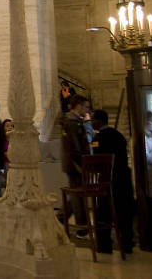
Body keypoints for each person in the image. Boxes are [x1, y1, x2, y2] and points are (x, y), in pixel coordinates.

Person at [91, 109, 135, 254]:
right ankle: (127, 243)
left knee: (103, 212)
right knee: (124, 212)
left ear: (99, 121)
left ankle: (104, 246)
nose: (91, 123)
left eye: (93, 120)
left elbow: (96, 160)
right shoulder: (119, 135)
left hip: (109, 180)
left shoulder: (98, 138)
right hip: (123, 178)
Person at [62, 94, 90, 230]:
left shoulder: (74, 122)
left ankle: (61, 217)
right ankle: (82, 226)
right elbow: (74, 147)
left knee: (76, 194)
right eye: (86, 107)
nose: (87, 110)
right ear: (78, 106)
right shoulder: (72, 123)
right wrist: (81, 164)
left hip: (75, 163)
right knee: (77, 195)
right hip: (75, 165)